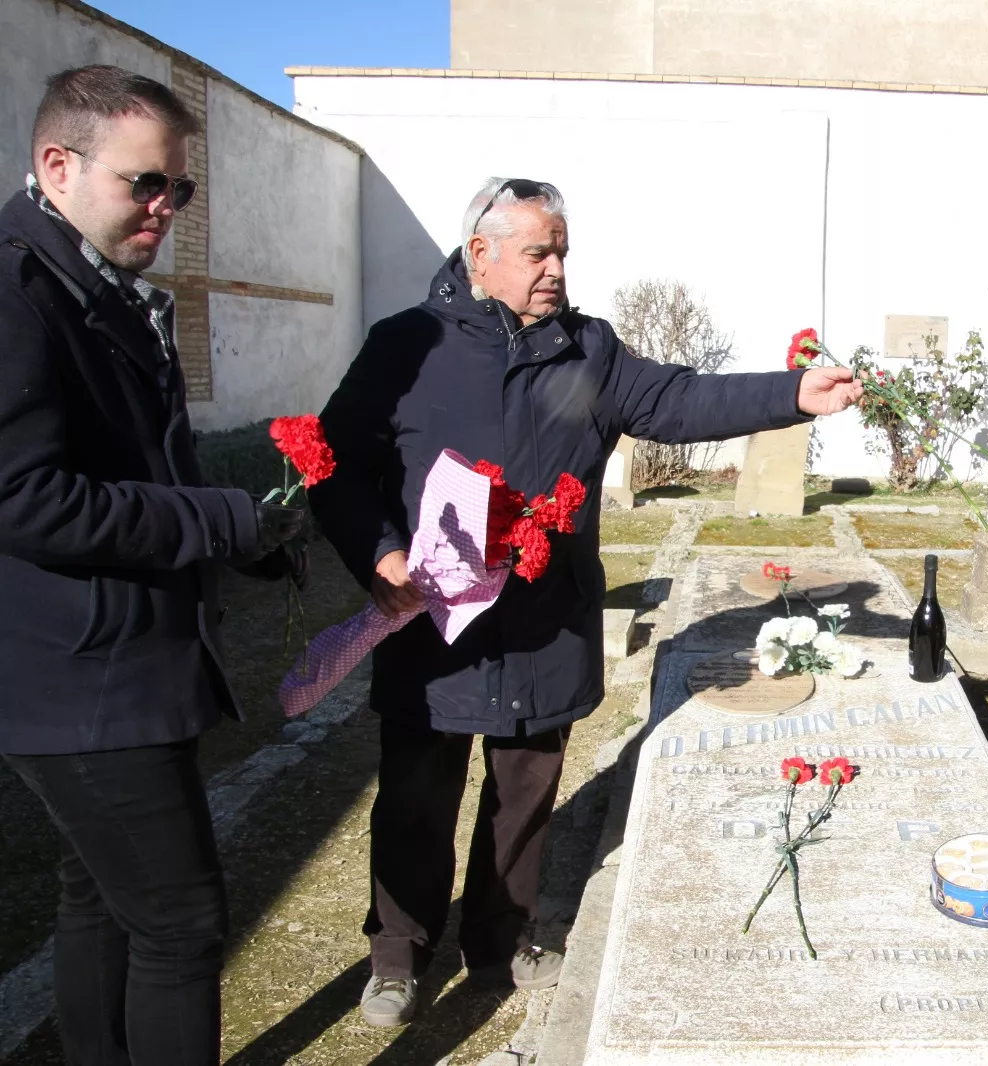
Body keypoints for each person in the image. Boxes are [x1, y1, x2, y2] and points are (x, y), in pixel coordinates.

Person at [311, 177, 863, 1027]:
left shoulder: (588, 349)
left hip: (543, 613)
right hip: (435, 620)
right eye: (538, 252)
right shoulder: (406, 345)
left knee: (527, 791)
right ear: (480, 254)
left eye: (562, 251)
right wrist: (381, 553)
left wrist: (789, 395)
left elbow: (677, 399)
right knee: (419, 796)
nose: (556, 269)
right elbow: (336, 460)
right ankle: (398, 955)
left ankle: (501, 940)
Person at [0, 66, 303, 1066]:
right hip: (75, 678)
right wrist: (216, 521)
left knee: (102, 895)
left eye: (180, 188)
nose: (167, 206)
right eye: (145, 183)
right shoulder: (16, 291)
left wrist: (246, 539)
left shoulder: (94, 284)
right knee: (178, 922)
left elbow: (143, 464)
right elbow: (24, 498)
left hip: (123, 660)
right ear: (58, 164)